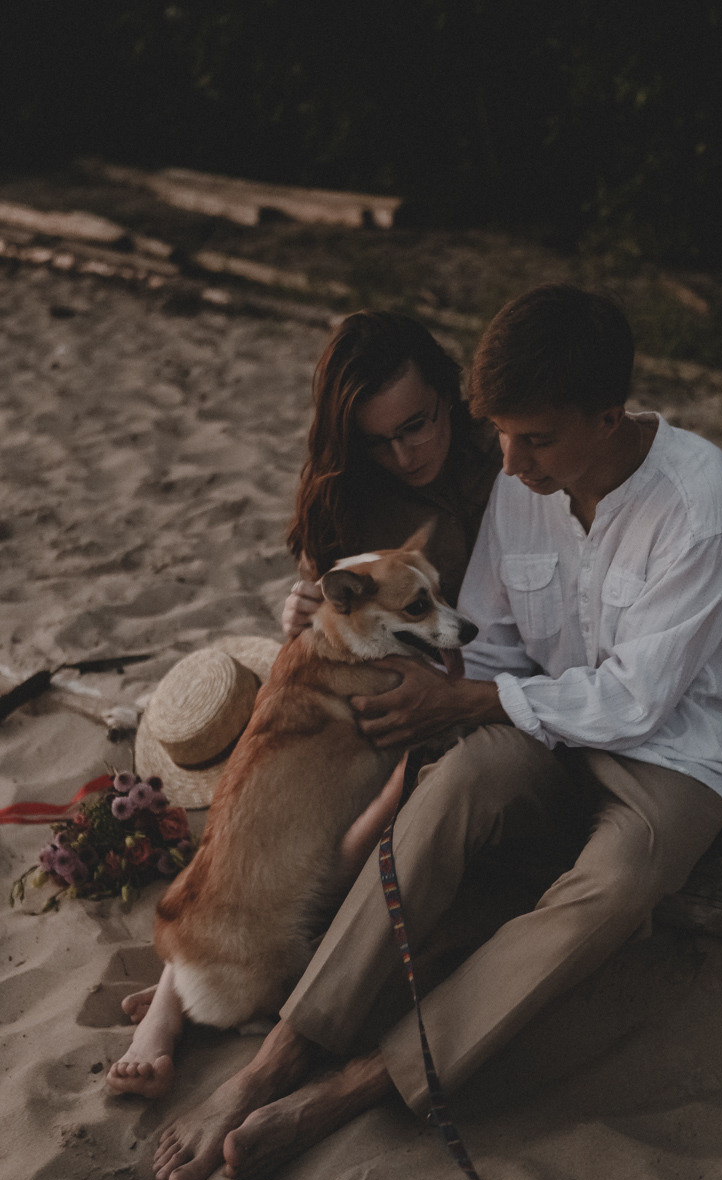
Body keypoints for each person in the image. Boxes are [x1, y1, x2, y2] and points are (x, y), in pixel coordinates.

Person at [149, 283, 722, 1180]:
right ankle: (276, 1058)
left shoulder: (698, 503)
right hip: (534, 721)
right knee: (455, 790)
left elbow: (637, 702)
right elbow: (496, 638)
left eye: (533, 440)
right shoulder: (527, 480)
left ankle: (361, 1083)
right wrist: (428, 690)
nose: (506, 465)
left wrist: (473, 705)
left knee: (618, 882)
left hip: (670, 755)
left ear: (610, 416)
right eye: (501, 436)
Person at [106, 311, 501, 1098]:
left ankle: (174, 1002)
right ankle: (180, 1002)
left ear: (449, 396)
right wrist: (299, 614)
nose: (403, 454)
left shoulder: (507, 454)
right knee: (271, 838)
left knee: (341, 833)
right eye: (376, 441)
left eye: (417, 426)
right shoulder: (347, 494)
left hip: (469, 687)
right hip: (365, 698)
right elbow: (339, 611)